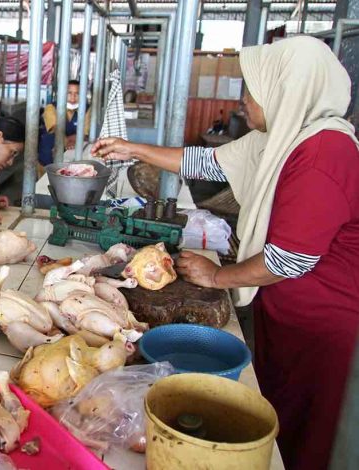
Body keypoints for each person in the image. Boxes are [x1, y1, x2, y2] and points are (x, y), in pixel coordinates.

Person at [91, 37, 359, 470]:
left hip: (323, 325)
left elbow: (289, 260)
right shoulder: (287, 136)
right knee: (277, 412)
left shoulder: (323, 154)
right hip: (288, 309)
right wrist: (132, 148)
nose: (241, 103)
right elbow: (209, 164)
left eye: (249, 91)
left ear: (283, 90)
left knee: (305, 432)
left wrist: (215, 278)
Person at [39, 79, 92, 166]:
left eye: (77, 93)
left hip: (70, 157)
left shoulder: (86, 110)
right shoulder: (51, 108)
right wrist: (68, 141)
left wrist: (71, 140)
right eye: (69, 93)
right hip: (48, 155)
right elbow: (56, 129)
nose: (73, 97)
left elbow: (84, 133)